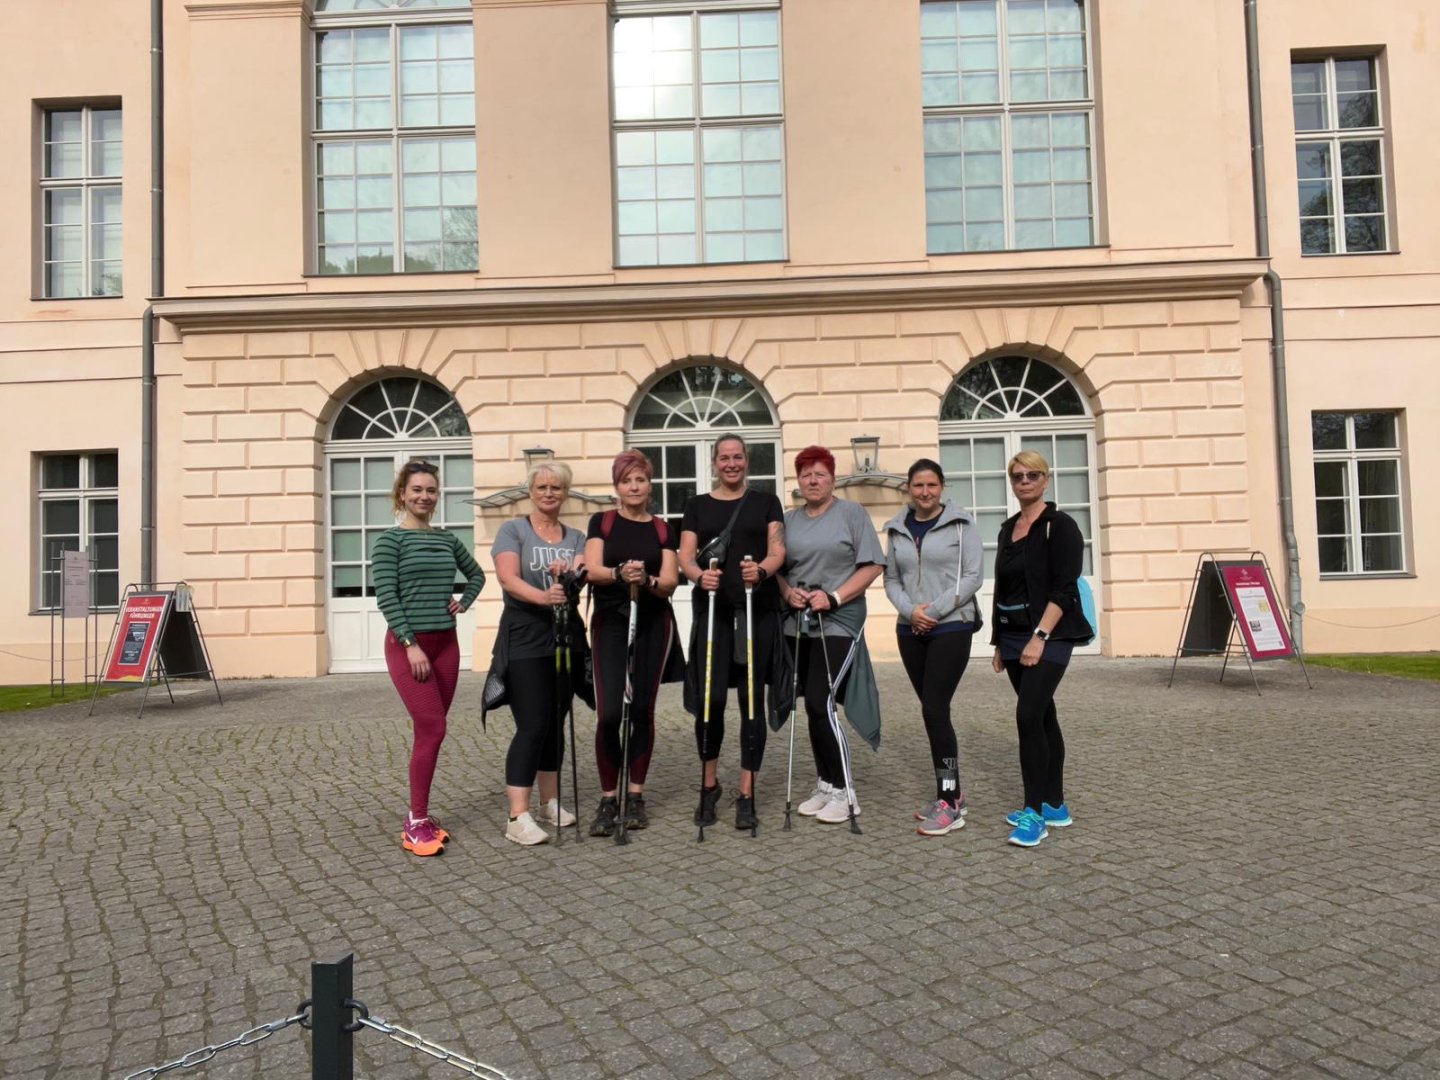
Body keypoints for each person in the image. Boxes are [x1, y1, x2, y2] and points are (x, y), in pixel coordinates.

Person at [372, 458, 486, 858]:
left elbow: (477, 575)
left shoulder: (447, 540)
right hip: (410, 647)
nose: (424, 496)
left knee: (430, 730)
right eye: (417, 489)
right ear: (403, 494)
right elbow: (387, 596)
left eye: (431, 490)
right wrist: (410, 643)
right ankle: (416, 821)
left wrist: (463, 602)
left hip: (446, 646)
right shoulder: (389, 542)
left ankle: (420, 815)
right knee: (433, 727)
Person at [679, 433, 786, 831]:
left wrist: (762, 570)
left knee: (750, 701)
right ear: (714, 462)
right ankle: (709, 787)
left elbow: (778, 551)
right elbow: (685, 556)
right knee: (711, 701)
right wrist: (698, 576)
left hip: (756, 613)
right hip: (714, 613)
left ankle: (746, 791)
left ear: (746, 460)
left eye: (737, 457)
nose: (731, 464)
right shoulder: (696, 505)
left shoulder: (766, 502)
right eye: (724, 458)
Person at [989, 450, 1094, 847]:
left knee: (1028, 716)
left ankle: (1033, 813)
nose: (1025, 482)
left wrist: (1040, 636)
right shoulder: (1007, 529)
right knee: (1044, 714)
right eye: (1018, 476)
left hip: (1051, 634)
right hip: (1013, 636)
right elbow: (1004, 588)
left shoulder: (1061, 527)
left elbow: (1064, 589)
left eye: (1032, 475)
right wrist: (998, 641)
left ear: (1046, 480)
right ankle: (1054, 804)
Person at [778, 445, 885, 825]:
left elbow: (873, 566)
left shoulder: (851, 514)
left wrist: (834, 596)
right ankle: (826, 784)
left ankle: (845, 791)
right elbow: (777, 568)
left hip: (840, 618)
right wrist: (786, 592)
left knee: (821, 700)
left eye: (820, 474)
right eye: (806, 474)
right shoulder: (788, 520)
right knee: (810, 705)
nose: (812, 480)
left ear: (833, 479)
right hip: (800, 621)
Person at [583, 450, 682, 837]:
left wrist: (649, 580)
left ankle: (636, 795)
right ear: (617, 487)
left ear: (649, 485)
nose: (634, 487)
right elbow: (591, 569)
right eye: (627, 481)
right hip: (610, 622)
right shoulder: (602, 522)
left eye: (640, 480)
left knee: (641, 709)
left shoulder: (662, 529)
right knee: (609, 713)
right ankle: (608, 798)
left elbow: (670, 581)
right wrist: (619, 573)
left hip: (653, 622)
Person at [488, 460, 587, 846]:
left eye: (556, 487)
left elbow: (581, 575)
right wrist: (545, 597)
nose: (549, 493)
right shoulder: (513, 530)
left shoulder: (576, 537)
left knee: (556, 722)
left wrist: (570, 575)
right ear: (530, 491)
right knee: (532, 724)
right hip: (525, 636)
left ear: (565, 492)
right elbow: (508, 578)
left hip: (565, 636)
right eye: (542, 486)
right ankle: (517, 816)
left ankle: (549, 802)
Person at [883, 458, 984, 837]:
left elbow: (973, 577)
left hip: (952, 625)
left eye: (931, 485)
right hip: (910, 628)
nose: (925, 492)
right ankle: (951, 792)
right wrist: (911, 612)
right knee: (931, 712)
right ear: (908, 488)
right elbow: (891, 579)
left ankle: (950, 800)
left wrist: (934, 611)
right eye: (918, 485)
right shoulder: (896, 528)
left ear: (942, 487)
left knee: (935, 709)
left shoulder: (962, 524)